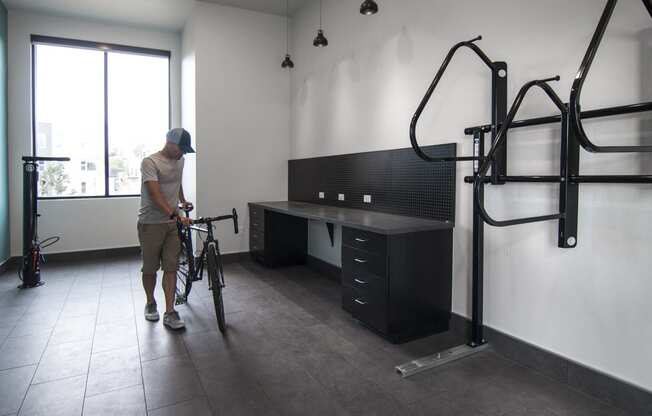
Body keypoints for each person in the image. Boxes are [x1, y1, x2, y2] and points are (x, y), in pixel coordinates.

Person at [137, 128, 194, 330]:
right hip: (150, 223)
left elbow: (176, 183)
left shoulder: (181, 160)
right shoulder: (150, 162)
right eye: (181, 148)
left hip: (171, 224)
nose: (183, 153)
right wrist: (174, 213)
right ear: (169, 143)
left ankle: (170, 311)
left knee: (171, 267)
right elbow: (154, 194)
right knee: (150, 268)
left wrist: (182, 201)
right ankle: (150, 302)